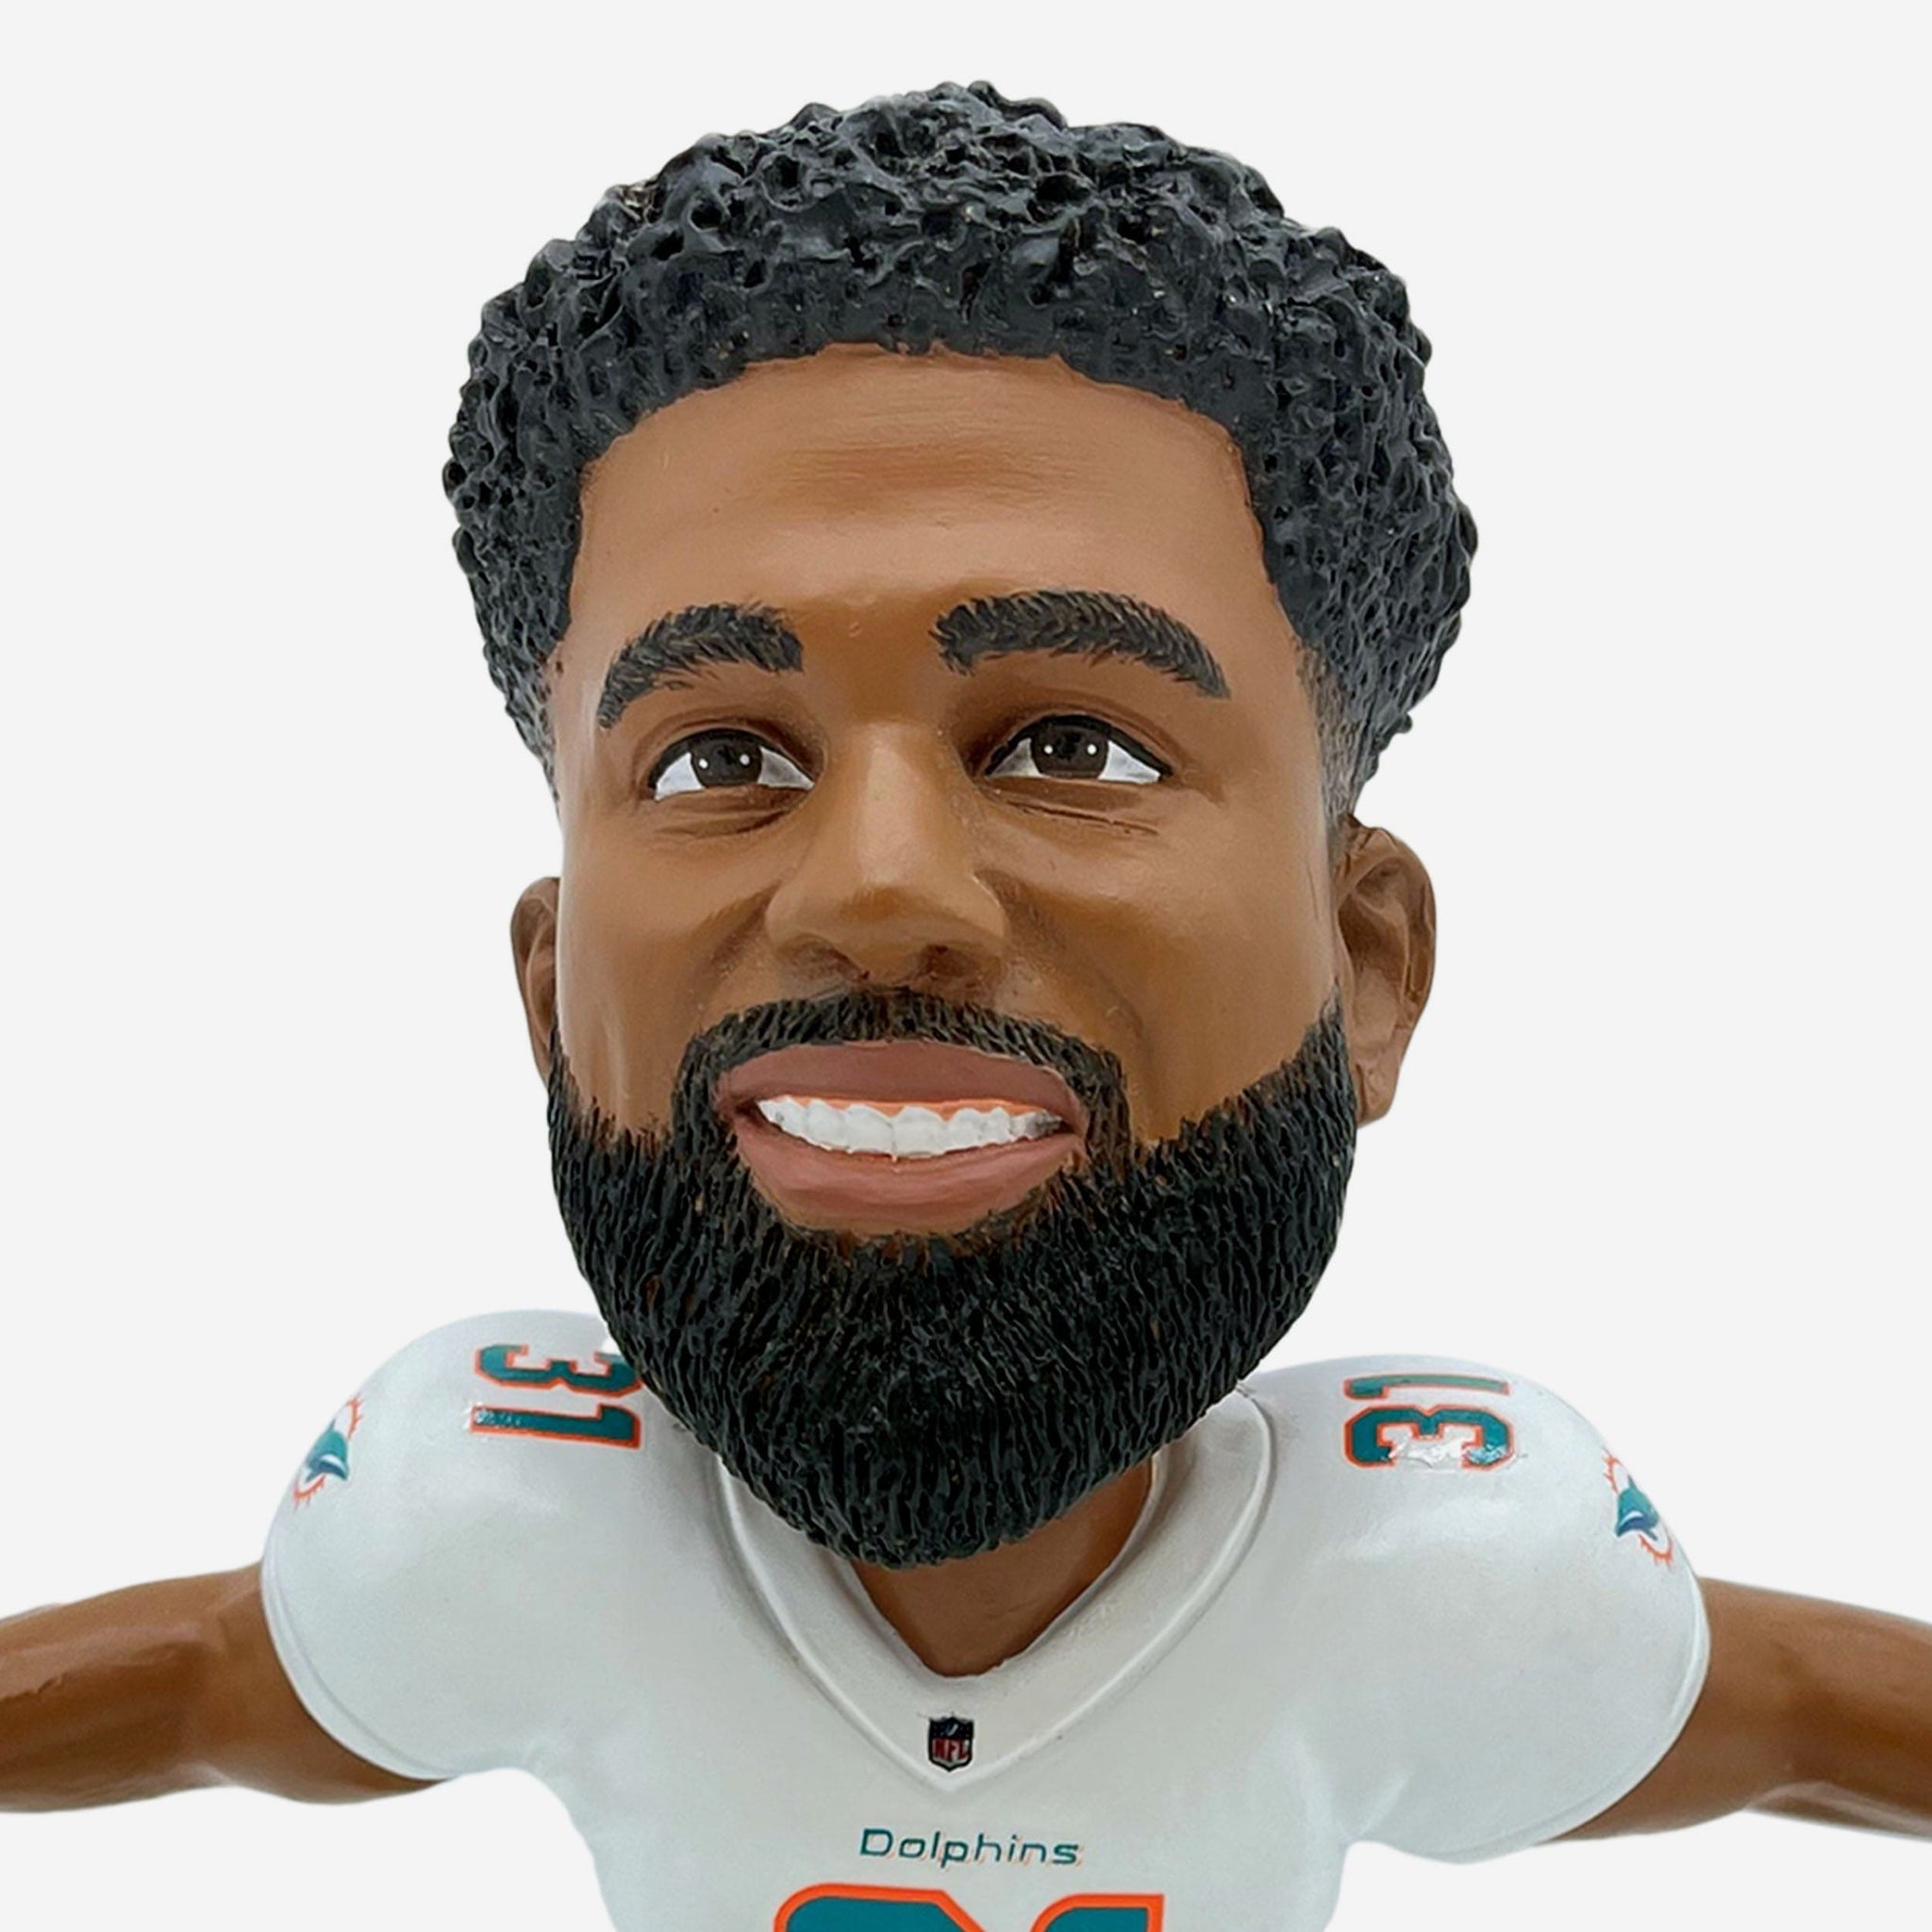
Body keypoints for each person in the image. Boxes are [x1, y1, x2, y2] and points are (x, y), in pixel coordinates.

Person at [3, 80, 1926, 1930]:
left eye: (1072, 745)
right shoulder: (494, 1531)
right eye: (718, 759)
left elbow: (1803, 1732)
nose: (878, 893)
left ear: (1364, 966)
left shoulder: (1453, 1582)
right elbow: (196, 1688)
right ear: (551, 980)